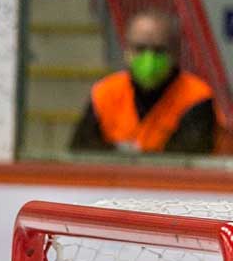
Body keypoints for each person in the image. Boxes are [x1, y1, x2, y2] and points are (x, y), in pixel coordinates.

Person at [70, 8, 217, 155]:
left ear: (175, 52)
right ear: (127, 51)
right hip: (112, 177)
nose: (149, 59)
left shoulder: (196, 96)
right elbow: (80, 151)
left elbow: (186, 158)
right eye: (140, 49)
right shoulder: (105, 92)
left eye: (158, 50)